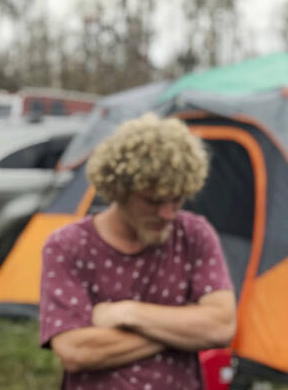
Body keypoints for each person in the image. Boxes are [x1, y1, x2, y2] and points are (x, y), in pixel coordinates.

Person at [39, 113, 236, 390]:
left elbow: (222, 327)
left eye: (177, 199)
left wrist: (127, 314)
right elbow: (75, 351)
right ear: (119, 189)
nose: (167, 213)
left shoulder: (194, 234)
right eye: (153, 201)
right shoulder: (67, 246)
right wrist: (182, 327)